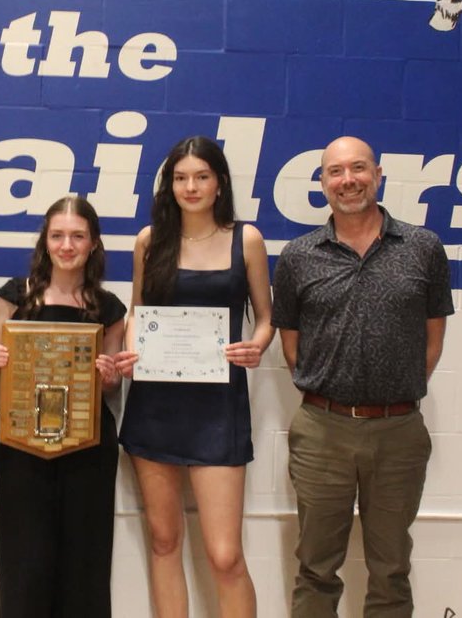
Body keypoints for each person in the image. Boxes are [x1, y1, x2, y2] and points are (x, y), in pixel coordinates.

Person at [271, 135, 453, 617]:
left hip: (398, 431)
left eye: (358, 169)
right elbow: (291, 346)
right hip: (321, 430)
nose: (347, 180)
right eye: (335, 172)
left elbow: (432, 341)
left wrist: (389, 392)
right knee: (315, 569)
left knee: (391, 569)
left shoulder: (423, 248)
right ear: (323, 182)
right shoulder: (297, 256)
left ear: (378, 175)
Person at [116, 136, 274, 618]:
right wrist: (128, 351)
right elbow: (136, 315)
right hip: (155, 405)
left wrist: (258, 346)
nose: (191, 187)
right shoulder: (149, 241)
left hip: (217, 410)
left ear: (219, 182)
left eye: (201, 176)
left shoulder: (246, 239)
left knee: (224, 556)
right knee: (164, 541)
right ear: (170, 186)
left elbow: (267, 319)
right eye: (181, 178)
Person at [0, 196, 127, 618]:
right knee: (24, 561)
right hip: (21, 445)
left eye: (78, 236)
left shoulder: (109, 308)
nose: (67, 245)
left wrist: (110, 375)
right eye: (58, 236)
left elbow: (112, 385)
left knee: (86, 562)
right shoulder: (15, 296)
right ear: (45, 242)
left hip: (87, 446)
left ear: (94, 243)